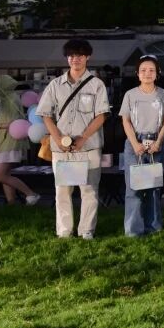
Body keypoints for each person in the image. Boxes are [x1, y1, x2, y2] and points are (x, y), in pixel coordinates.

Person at [37, 39, 109, 239]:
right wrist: (58, 138)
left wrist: (83, 138)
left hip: (89, 147)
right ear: (67, 58)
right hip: (62, 149)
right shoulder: (55, 84)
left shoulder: (96, 84)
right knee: (62, 190)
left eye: (79, 55)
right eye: (71, 56)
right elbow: (45, 114)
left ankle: (86, 230)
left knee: (89, 190)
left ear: (87, 57)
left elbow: (102, 115)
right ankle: (64, 231)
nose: (75, 59)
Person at [118, 55, 164, 237]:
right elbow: (125, 121)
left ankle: (153, 227)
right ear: (137, 73)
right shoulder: (130, 94)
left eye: (151, 70)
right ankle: (133, 230)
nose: (147, 73)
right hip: (135, 143)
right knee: (134, 188)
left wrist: (158, 142)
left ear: (157, 73)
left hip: (156, 143)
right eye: (143, 70)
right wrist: (135, 144)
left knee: (153, 187)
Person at [0, 75, 40, 205]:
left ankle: (31, 194)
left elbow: (14, 122)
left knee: (0, 175)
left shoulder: (11, 100)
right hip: (6, 140)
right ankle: (11, 203)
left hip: (10, 141)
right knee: (5, 175)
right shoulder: (8, 99)